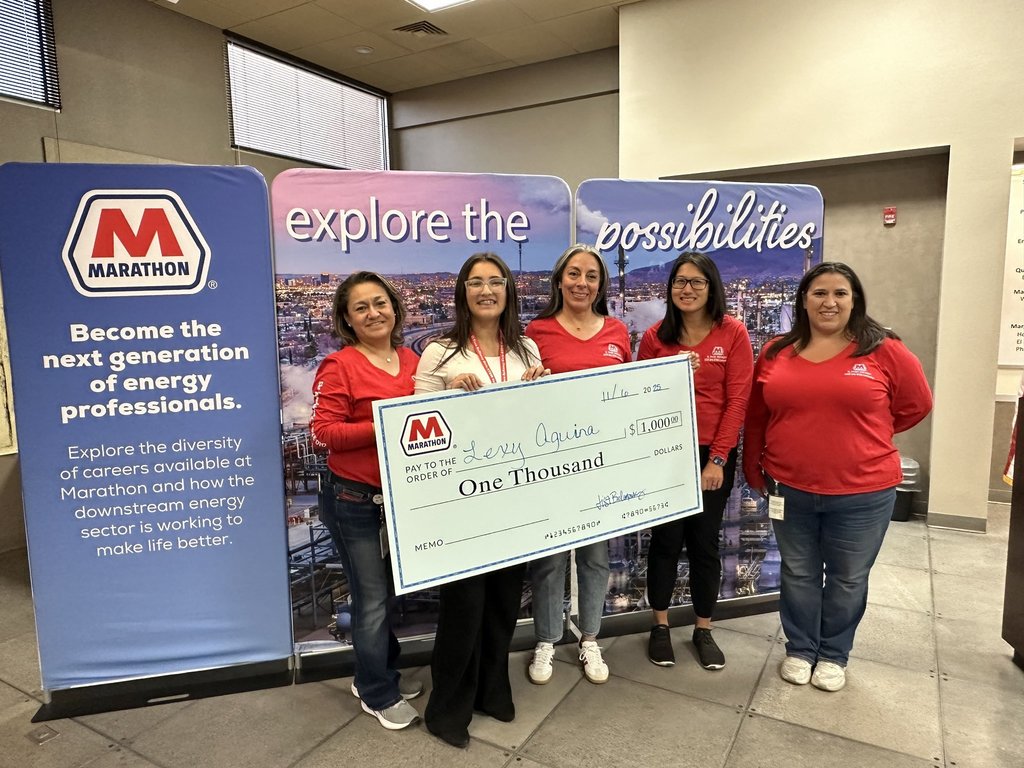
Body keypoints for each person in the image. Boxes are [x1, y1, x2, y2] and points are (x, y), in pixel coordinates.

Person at [742, 261, 932, 692]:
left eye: (839, 294)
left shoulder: (883, 350)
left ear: (854, 300)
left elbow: (916, 404)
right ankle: (800, 649)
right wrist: (754, 463)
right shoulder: (776, 352)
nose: (829, 302)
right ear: (804, 301)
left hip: (863, 492)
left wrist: (867, 436)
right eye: (819, 293)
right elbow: (757, 417)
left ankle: (833, 654)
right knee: (798, 572)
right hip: (789, 486)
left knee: (848, 577)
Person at [414, 253, 547, 748]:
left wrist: (542, 388)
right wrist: (447, 391)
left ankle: (492, 689)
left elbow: (539, 419)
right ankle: (448, 708)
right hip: (462, 500)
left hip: (514, 495)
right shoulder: (440, 353)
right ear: (462, 293)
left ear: (509, 290)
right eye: (476, 283)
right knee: (464, 605)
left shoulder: (526, 349)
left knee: (503, 602)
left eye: (495, 281)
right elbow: (414, 425)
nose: (486, 290)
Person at [310, 272, 423, 729]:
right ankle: (378, 693)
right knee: (371, 599)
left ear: (395, 309)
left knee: (389, 594)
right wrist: (388, 423)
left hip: (398, 499)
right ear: (347, 320)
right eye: (361, 308)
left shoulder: (412, 359)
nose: (374, 313)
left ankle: (375, 672)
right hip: (355, 500)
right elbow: (323, 434)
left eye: (380, 303)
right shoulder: (340, 366)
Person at [637, 252, 753, 670]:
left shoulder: (733, 334)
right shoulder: (655, 338)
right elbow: (641, 397)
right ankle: (661, 626)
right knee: (665, 543)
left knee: (704, 544)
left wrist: (718, 459)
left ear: (712, 287)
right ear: (669, 290)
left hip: (711, 454)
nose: (687, 289)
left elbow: (737, 400)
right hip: (666, 452)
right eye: (679, 282)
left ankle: (703, 627)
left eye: (697, 282)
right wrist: (671, 373)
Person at [524, 243, 631, 685]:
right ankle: (547, 638)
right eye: (573, 274)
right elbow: (522, 400)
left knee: (594, 557)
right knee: (548, 558)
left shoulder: (618, 330)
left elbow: (630, 391)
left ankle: (590, 637)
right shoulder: (537, 331)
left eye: (590, 275)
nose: (581, 282)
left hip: (601, 464)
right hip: (551, 464)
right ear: (559, 280)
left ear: (600, 284)